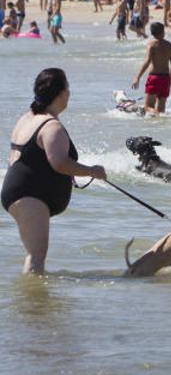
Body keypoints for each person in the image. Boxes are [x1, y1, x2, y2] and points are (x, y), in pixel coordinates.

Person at [2, 68, 106, 273]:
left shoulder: (28, 118)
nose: (70, 93)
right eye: (68, 88)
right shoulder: (51, 126)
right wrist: (92, 171)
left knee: (34, 255)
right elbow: (59, 163)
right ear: (61, 93)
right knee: (36, 257)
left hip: (18, 192)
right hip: (29, 196)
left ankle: (35, 293)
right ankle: (34, 294)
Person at [131, 22, 171, 115]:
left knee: (148, 107)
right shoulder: (169, 45)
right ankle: (160, 120)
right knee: (161, 108)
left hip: (155, 78)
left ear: (152, 33)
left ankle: (158, 116)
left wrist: (137, 77)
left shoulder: (152, 44)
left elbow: (147, 61)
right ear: (163, 32)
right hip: (166, 78)